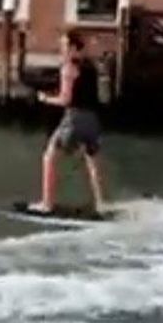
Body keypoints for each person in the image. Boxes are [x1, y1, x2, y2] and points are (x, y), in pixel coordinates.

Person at [29, 31, 105, 213]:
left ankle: (47, 204)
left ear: (72, 48)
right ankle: (102, 203)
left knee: (49, 156)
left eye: (63, 47)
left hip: (75, 118)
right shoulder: (91, 66)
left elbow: (65, 99)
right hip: (93, 119)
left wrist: (45, 98)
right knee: (92, 160)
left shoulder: (68, 68)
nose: (61, 51)